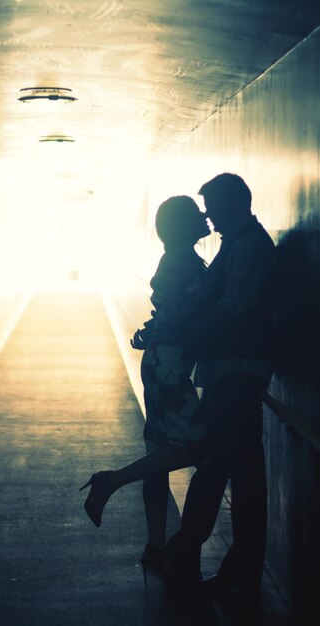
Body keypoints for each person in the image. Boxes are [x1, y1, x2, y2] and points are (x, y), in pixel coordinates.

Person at [80, 195, 211, 579]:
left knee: (158, 455)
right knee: (196, 446)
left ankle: (155, 546)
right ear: (183, 226)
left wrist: (151, 329)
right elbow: (180, 316)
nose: (205, 218)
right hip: (169, 366)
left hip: (161, 362)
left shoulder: (179, 261)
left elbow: (169, 312)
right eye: (195, 214)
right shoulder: (179, 265)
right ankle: (111, 481)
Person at [165, 173, 276, 598]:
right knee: (225, 468)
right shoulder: (236, 244)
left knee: (234, 473)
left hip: (237, 373)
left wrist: (188, 335)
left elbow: (235, 307)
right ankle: (204, 559)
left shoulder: (248, 246)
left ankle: (232, 572)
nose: (207, 213)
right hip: (227, 372)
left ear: (233, 202)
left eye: (211, 204)